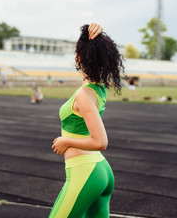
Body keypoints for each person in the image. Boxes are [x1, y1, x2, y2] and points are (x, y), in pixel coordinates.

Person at [50, 23, 126, 217]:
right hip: (100, 170)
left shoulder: (85, 94)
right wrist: (96, 37)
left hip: (86, 172)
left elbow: (100, 142)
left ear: (77, 57)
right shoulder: (98, 88)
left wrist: (66, 141)